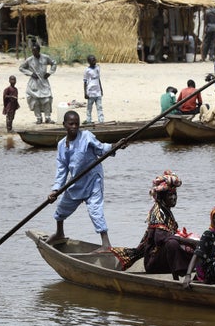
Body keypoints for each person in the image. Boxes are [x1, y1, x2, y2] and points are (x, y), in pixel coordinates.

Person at [46, 110, 118, 253]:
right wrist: (55, 190)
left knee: (95, 210)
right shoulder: (62, 145)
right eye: (71, 124)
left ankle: (106, 244)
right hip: (77, 182)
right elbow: (62, 169)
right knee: (61, 209)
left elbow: (101, 149)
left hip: (93, 180)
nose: (74, 127)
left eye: (77, 124)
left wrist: (113, 146)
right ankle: (60, 233)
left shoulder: (86, 137)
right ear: (64, 125)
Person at [110, 170, 196, 277]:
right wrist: (188, 241)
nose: (173, 198)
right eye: (170, 195)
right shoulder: (158, 212)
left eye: (174, 194)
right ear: (162, 197)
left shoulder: (166, 210)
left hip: (161, 258)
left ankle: (188, 269)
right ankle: (177, 275)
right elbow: (161, 239)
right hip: (153, 262)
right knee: (172, 243)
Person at [19, 43, 57, 124]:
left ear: (39, 50)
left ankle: (47, 117)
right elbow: (21, 68)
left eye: (35, 50)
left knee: (47, 99)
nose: (34, 52)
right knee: (35, 101)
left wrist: (49, 72)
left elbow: (54, 63)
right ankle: (38, 118)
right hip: (34, 82)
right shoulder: (29, 60)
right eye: (32, 50)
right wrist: (30, 73)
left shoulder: (45, 57)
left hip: (44, 81)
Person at [83, 54, 104, 124]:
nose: (94, 61)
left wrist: (101, 89)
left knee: (99, 107)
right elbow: (85, 82)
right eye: (92, 60)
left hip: (98, 92)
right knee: (89, 108)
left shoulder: (98, 68)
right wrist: (85, 93)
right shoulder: (87, 70)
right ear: (89, 61)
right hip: (90, 92)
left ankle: (101, 121)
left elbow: (99, 79)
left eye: (95, 59)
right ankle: (88, 120)